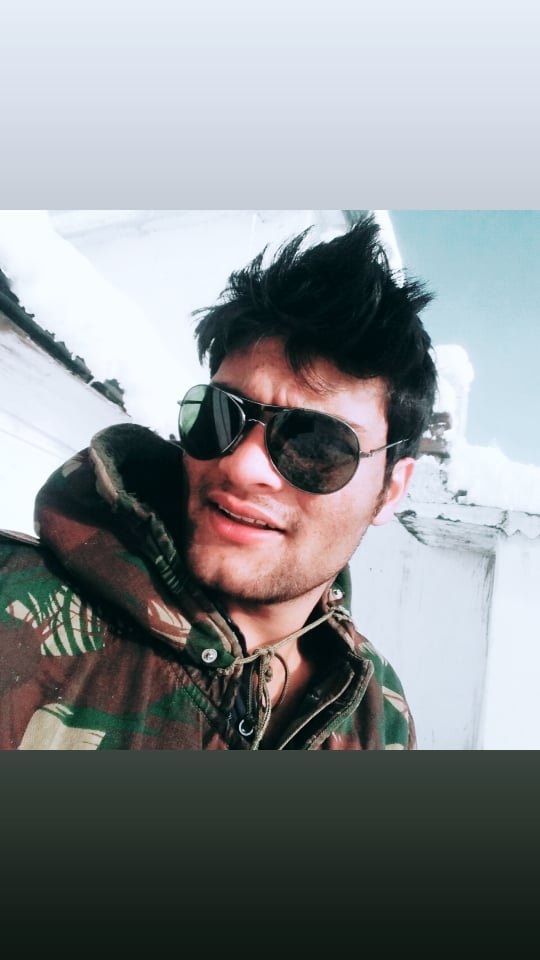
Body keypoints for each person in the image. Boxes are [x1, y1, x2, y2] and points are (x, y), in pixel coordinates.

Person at [0, 215, 436, 750]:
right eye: (220, 415)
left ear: (391, 490)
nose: (241, 466)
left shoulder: (378, 713)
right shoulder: (12, 602)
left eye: (315, 444)